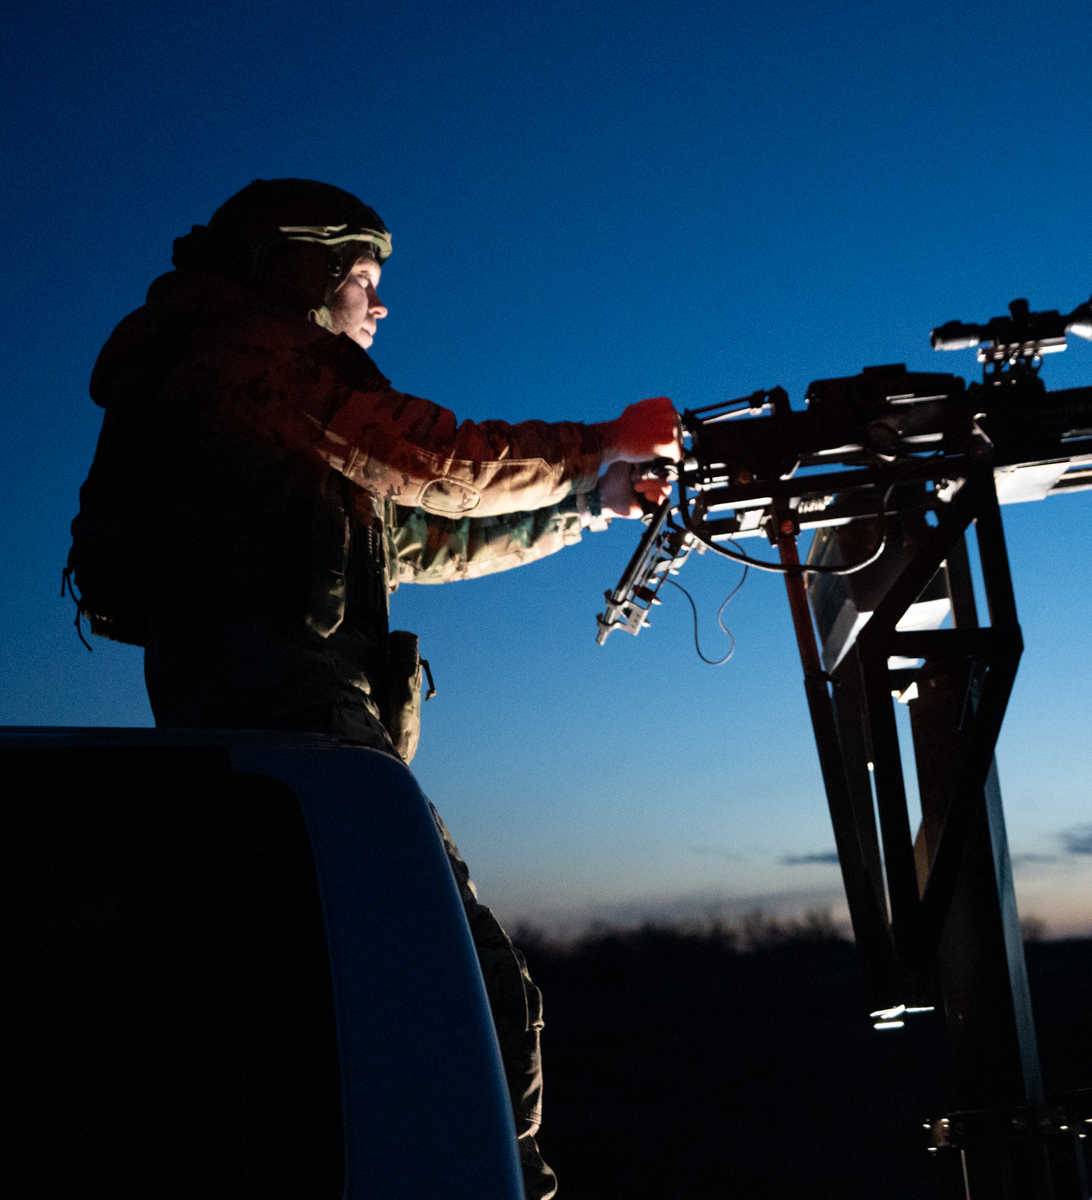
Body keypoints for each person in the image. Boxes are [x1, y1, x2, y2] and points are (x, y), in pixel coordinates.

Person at [68, 178, 678, 1198]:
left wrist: (587, 501)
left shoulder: (257, 395)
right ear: (300, 273)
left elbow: (419, 535)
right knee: (461, 983)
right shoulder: (253, 357)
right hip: (291, 709)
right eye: (363, 278)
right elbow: (433, 459)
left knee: (392, 989)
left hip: (288, 709)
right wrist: (597, 442)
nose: (379, 304)